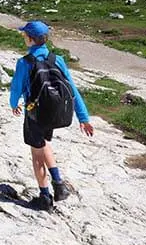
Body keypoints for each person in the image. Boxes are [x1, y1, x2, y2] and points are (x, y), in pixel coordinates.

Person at [10, 20, 94, 211]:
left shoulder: (25, 62)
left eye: (24, 35)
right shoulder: (57, 59)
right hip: (53, 112)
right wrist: (84, 118)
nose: (23, 37)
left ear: (30, 39)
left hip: (35, 114)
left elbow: (16, 88)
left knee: (36, 154)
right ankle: (58, 183)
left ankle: (44, 197)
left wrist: (13, 104)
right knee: (44, 142)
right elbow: (72, 89)